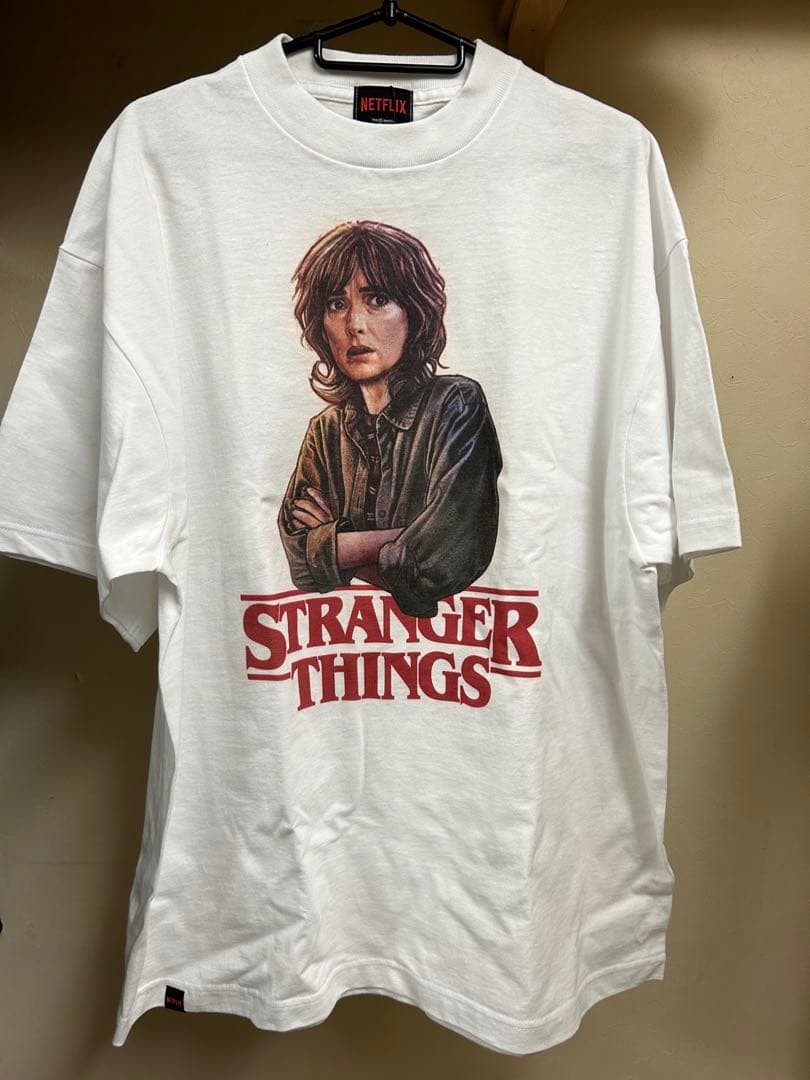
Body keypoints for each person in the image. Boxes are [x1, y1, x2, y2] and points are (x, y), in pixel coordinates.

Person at [277, 220, 503, 619]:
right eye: (336, 304)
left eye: (377, 299)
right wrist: (404, 541)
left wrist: (336, 546)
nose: (354, 324)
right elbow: (298, 558)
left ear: (415, 311)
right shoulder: (325, 431)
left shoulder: (456, 404)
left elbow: (445, 555)